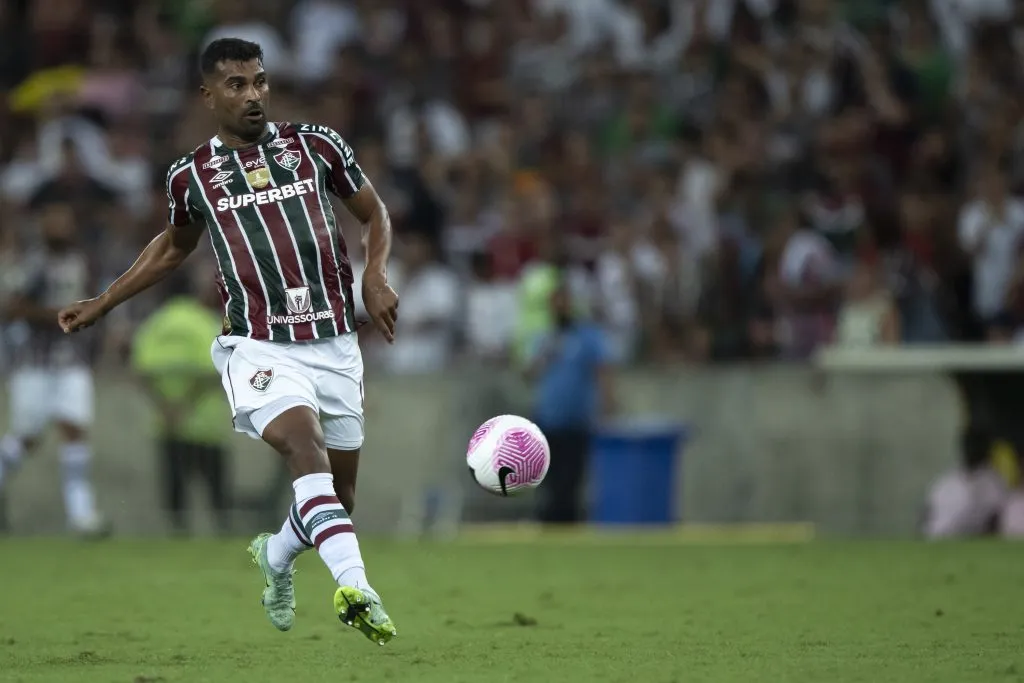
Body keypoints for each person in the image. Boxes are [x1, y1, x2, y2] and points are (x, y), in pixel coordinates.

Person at [57, 39, 399, 644]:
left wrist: (374, 275)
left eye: (259, 81)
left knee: (338, 498)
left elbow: (374, 213)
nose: (253, 95)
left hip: (335, 342)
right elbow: (172, 248)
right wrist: (104, 302)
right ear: (208, 95)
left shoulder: (317, 145)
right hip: (257, 343)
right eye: (237, 85)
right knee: (305, 451)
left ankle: (275, 555)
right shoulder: (191, 176)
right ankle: (357, 589)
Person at [0, 202, 108, 537]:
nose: (60, 229)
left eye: (65, 223)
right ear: (43, 228)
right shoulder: (33, 264)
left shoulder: (81, 262)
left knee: (74, 428)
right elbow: (13, 307)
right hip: (35, 362)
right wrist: (56, 316)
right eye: (54, 223)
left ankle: (82, 516)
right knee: (27, 437)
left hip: (72, 361)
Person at [131, 270, 233, 535]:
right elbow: (214, 372)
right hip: (206, 425)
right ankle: (224, 533)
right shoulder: (205, 322)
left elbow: (141, 371)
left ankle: (178, 535)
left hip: (168, 425)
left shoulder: (155, 324)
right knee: (216, 492)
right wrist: (186, 405)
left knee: (176, 493)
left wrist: (166, 406)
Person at [526, 278, 614, 524]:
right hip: (547, 419)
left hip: (577, 420)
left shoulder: (587, 336)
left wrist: (607, 404)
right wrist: (543, 355)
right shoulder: (544, 337)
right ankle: (549, 523)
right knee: (548, 480)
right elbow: (529, 373)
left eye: (563, 301)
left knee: (571, 480)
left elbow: (602, 370)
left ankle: (568, 524)